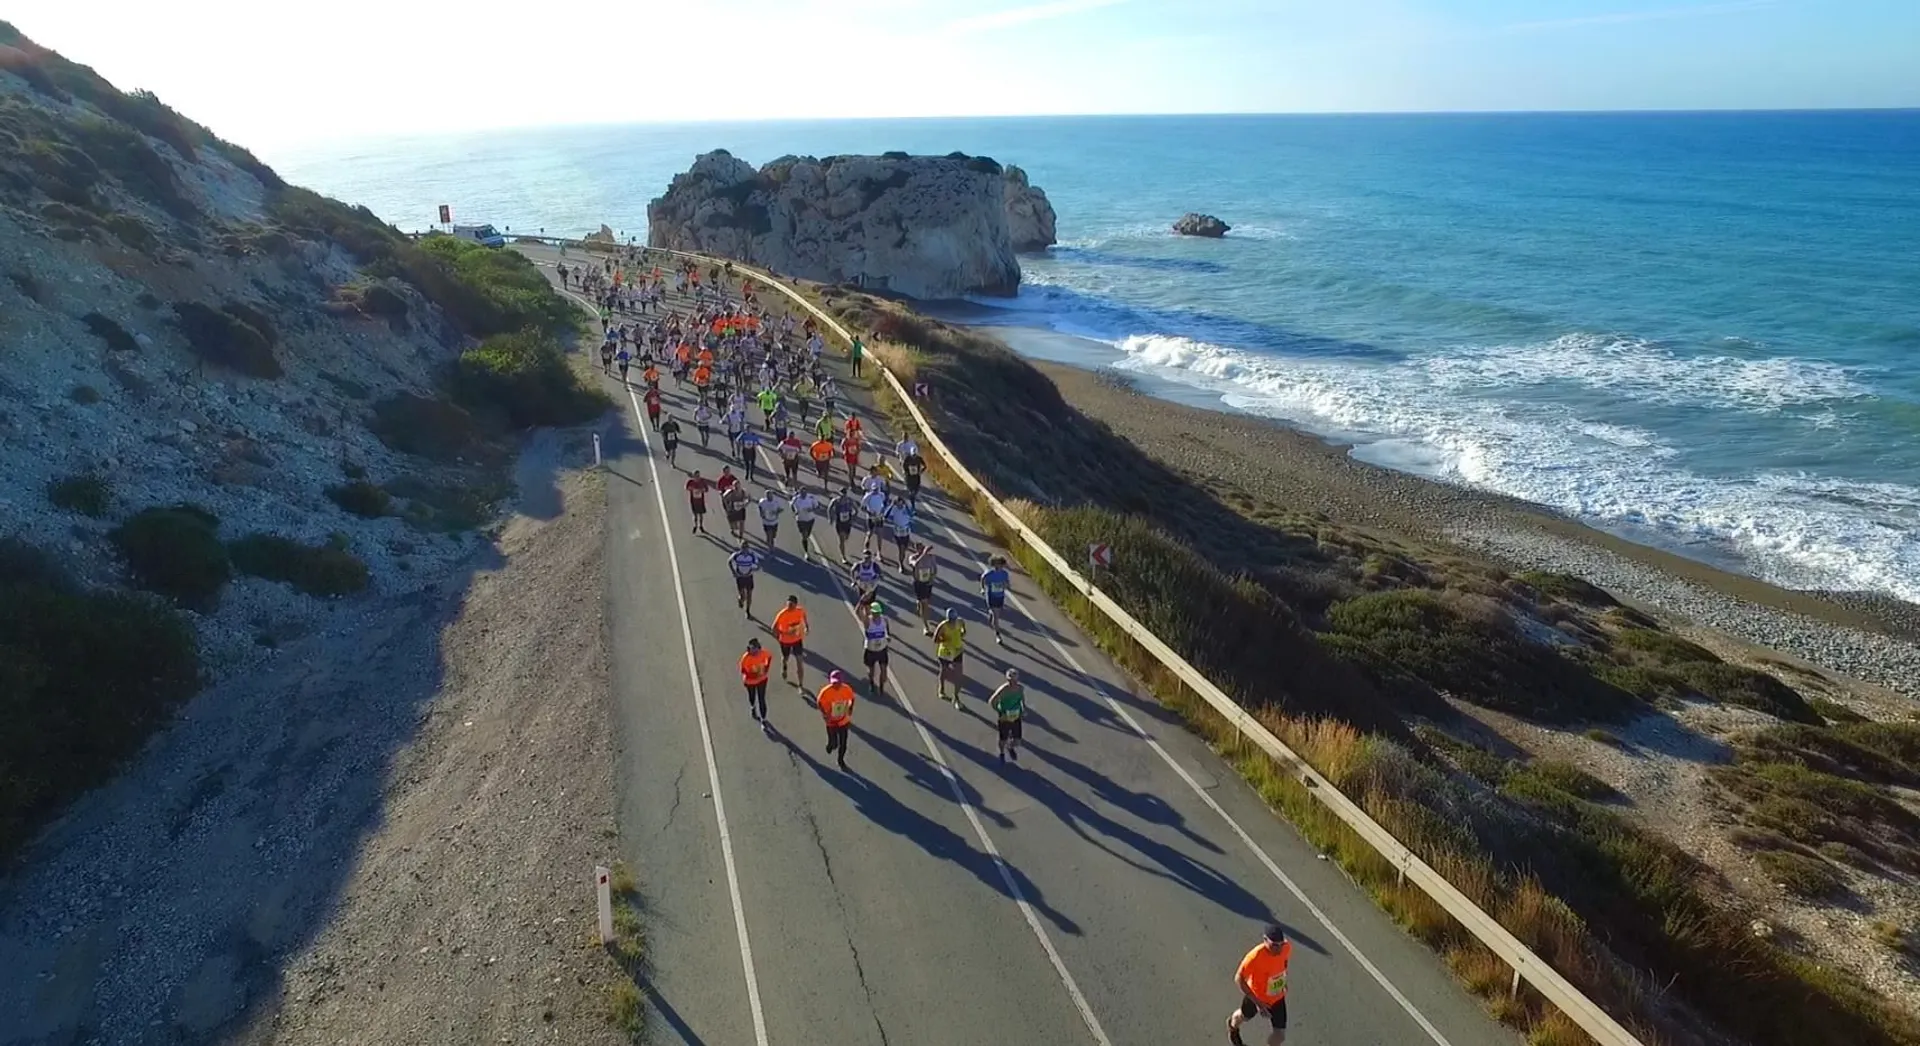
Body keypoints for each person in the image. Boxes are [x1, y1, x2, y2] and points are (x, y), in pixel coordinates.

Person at [1228, 925, 1293, 1046]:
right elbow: (1239, 978)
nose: (1278, 949)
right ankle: (1233, 1027)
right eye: (1274, 945)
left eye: (1281, 944)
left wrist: (1283, 980)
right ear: (1265, 940)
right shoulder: (1255, 956)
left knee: (1279, 1036)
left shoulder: (1287, 948)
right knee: (1243, 1016)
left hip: (1277, 997)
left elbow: (1284, 962)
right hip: (1256, 996)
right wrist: (1258, 1003)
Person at [817, 669, 856, 770]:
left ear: (841, 681)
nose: (836, 685)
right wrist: (824, 714)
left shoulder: (847, 689)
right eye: (834, 683)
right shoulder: (825, 691)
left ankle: (840, 760)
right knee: (834, 743)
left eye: (838, 683)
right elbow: (819, 702)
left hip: (843, 720)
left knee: (843, 743)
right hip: (831, 722)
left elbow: (852, 698)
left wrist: (850, 708)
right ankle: (830, 745)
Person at [772, 595, 809, 689]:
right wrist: (780, 636)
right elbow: (773, 628)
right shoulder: (782, 614)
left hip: (797, 640)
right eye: (788, 605)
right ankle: (784, 667)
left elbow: (804, 616)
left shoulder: (800, 611)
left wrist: (806, 627)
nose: (789, 607)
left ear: (796, 605)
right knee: (785, 658)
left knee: (799, 662)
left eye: (791, 605)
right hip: (785, 641)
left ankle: (800, 685)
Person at [855, 599, 890, 696]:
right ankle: (871, 682)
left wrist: (887, 637)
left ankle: (881, 686)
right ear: (871, 612)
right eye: (874, 613)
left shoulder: (884, 620)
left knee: (884, 670)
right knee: (871, 671)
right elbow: (857, 612)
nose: (876, 615)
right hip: (870, 651)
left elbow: (887, 632)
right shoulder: (868, 621)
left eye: (878, 613)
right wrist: (861, 602)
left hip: (882, 650)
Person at [988, 668, 1025, 759]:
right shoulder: (1004, 689)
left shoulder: (1020, 688)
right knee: (1003, 739)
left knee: (1017, 740)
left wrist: (1023, 709)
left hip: (1016, 716)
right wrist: (1000, 711)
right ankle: (1002, 753)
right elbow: (992, 701)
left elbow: (1022, 699)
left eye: (1014, 680)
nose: (1013, 682)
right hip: (1005, 717)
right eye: (1011, 680)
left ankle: (1010, 747)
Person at [934, 608, 968, 705]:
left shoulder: (960, 622)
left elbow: (963, 628)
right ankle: (941, 689)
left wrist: (963, 633)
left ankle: (956, 696)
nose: (952, 622)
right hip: (945, 653)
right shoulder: (943, 626)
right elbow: (935, 639)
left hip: (957, 651)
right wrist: (944, 640)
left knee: (959, 676)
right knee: (944, 671)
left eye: (953, 620)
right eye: (950, 620)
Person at [740, 638, 772, 724]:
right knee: (752, 696)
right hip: (750, 681)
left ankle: (763, 719)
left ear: (758, 648)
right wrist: (752, 674)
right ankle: (753, 706)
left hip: (762, 680)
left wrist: (766, 668)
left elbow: (769, 657)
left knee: (762, 699)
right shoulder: (746, 658)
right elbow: (743, 670)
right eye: (751, 649)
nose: (753, 651)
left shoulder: (763, 653)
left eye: (755, 649)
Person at [980, 555, 1011, 644]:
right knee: (996, 616)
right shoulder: (989, 573)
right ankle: (998, 635)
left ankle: (991, 614)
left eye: (1001, 564)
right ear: (994, 564)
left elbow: (1007, 583)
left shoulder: (1005, 574)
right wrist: (982, 588)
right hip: (991, 596)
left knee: (995, 615)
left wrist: (1007, 586)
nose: (1000, 566)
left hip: (1000, 596)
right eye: (998, 564)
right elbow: (982, 578)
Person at [908, 543, 939, 634]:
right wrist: (924, 554)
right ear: (916, 549)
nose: (921, 550)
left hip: (928, 582)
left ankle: (919, 602)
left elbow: (935, 569)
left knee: (926, 602)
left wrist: (932, 578)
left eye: (923, 548)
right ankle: (925, 626)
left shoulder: (931, 557)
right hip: (918, 583)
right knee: (924, 604)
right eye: (919, 549)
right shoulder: (913, 558)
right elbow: (916, 565)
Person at [728, 540, 762, 618]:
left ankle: (748, 611)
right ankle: (740, 600)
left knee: (749, 594)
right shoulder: (736, 555)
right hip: (740, 577)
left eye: (746, 547)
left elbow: (759, 565)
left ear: (748, 548)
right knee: (743, 595)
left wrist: (753, 570)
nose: (744, 549)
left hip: (748, 577)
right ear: (741, 548)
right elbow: (729, 561)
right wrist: (733, 572)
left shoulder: (752, 555)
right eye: (743, 547)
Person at [829, 487, 860, 564]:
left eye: (844, 494)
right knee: (841, 539)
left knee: (846, 537)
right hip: (839, 522)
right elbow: (829, 508)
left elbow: (856, 509)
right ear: (839, 494)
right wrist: (830, 518)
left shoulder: (849, 501)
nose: (843, 496)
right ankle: (843, 557)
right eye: (841, 494)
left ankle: (842, 547)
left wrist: (854, 517)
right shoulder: (835, 501)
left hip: (847, 522)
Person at [790, 488, 821, 562]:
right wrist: (795, 511)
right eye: (802, 493)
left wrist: (812, 510)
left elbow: (817, 506)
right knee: (804, 535)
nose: (804, 494)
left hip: (810, 519)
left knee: (807, 534)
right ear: (800, 493)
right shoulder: (796, 499)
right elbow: (791, 505)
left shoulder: (811, 497)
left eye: (805, 493)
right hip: (801, 520)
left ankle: (806, 542)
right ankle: (806, 552)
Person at [885, 496, 914, 572]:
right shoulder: (894, 509)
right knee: (901, 549)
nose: (899, 506)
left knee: (904, 549)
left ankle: (902, 558)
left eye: (900, 504)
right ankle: (901, 564)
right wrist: (891, 505)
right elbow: (885, 516)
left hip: (905, 531)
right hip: (898, 532)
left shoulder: (906, 508)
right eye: (897, 504)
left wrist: (906, 505)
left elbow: (911, 514)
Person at [860, 485, 889, 555]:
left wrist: (882, 512)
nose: (875, 491)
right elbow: (862, 507)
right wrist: (869, 513)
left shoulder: (882, 495)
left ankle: (879, 551)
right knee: (870, 533)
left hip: (879, 517)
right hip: (871, 517)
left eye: (876, 490)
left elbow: (884, 504)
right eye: (874, 490)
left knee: (880, 534)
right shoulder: (867, 496)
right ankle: (866, 548)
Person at [684, 470, 710, 534]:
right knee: (695, 515)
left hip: (700, 501)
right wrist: (691, 489)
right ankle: (695, 526)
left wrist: (702, 490)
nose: (697, 477)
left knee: (701, 515)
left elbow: (707, 489)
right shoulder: (690, 482)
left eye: (698, 476)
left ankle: (701, 526)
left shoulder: (702, 482)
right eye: (696, 476)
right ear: (693, 476)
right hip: (693, 501)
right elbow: (686, 487)